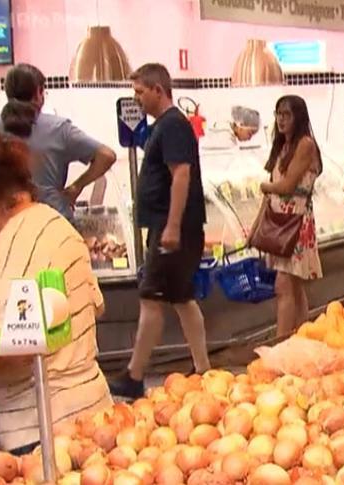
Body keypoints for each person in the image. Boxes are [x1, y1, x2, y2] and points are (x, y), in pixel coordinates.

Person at [0, 132, 111, 455]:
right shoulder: (55, 225)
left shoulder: (15, 245)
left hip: (41, 434)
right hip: (93, 419)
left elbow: (18, 342)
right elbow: (94, 304)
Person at [108, 63, 209, 398]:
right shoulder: (164, 127)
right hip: (171, 226)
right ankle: (203, 368)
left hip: (173, 227)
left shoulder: (172, 126)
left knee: (151, 296)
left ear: (157, 89)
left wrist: (173, 225)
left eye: (139, 92)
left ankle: (134, 376)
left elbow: (181, 174)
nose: (136, 99)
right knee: (181, 296)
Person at [0, 63, 117, 221]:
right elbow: (107, 155)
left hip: (3, 223)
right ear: (37, 93)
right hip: (53, 221)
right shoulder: (59, 129)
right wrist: (76, 187)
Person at [259, 95, 323, 337]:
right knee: (294, 287)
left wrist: (266, 186)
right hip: (279, 223)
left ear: (299, 117)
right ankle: (302, 338)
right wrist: (257, 228)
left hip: (295, 222)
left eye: (287, 114)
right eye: (278, 114)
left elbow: (286, 186)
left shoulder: (305, 144)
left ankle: (281, 343)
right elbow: (277, 188)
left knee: (283, 285)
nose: (281, 120)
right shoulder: (282, 147)